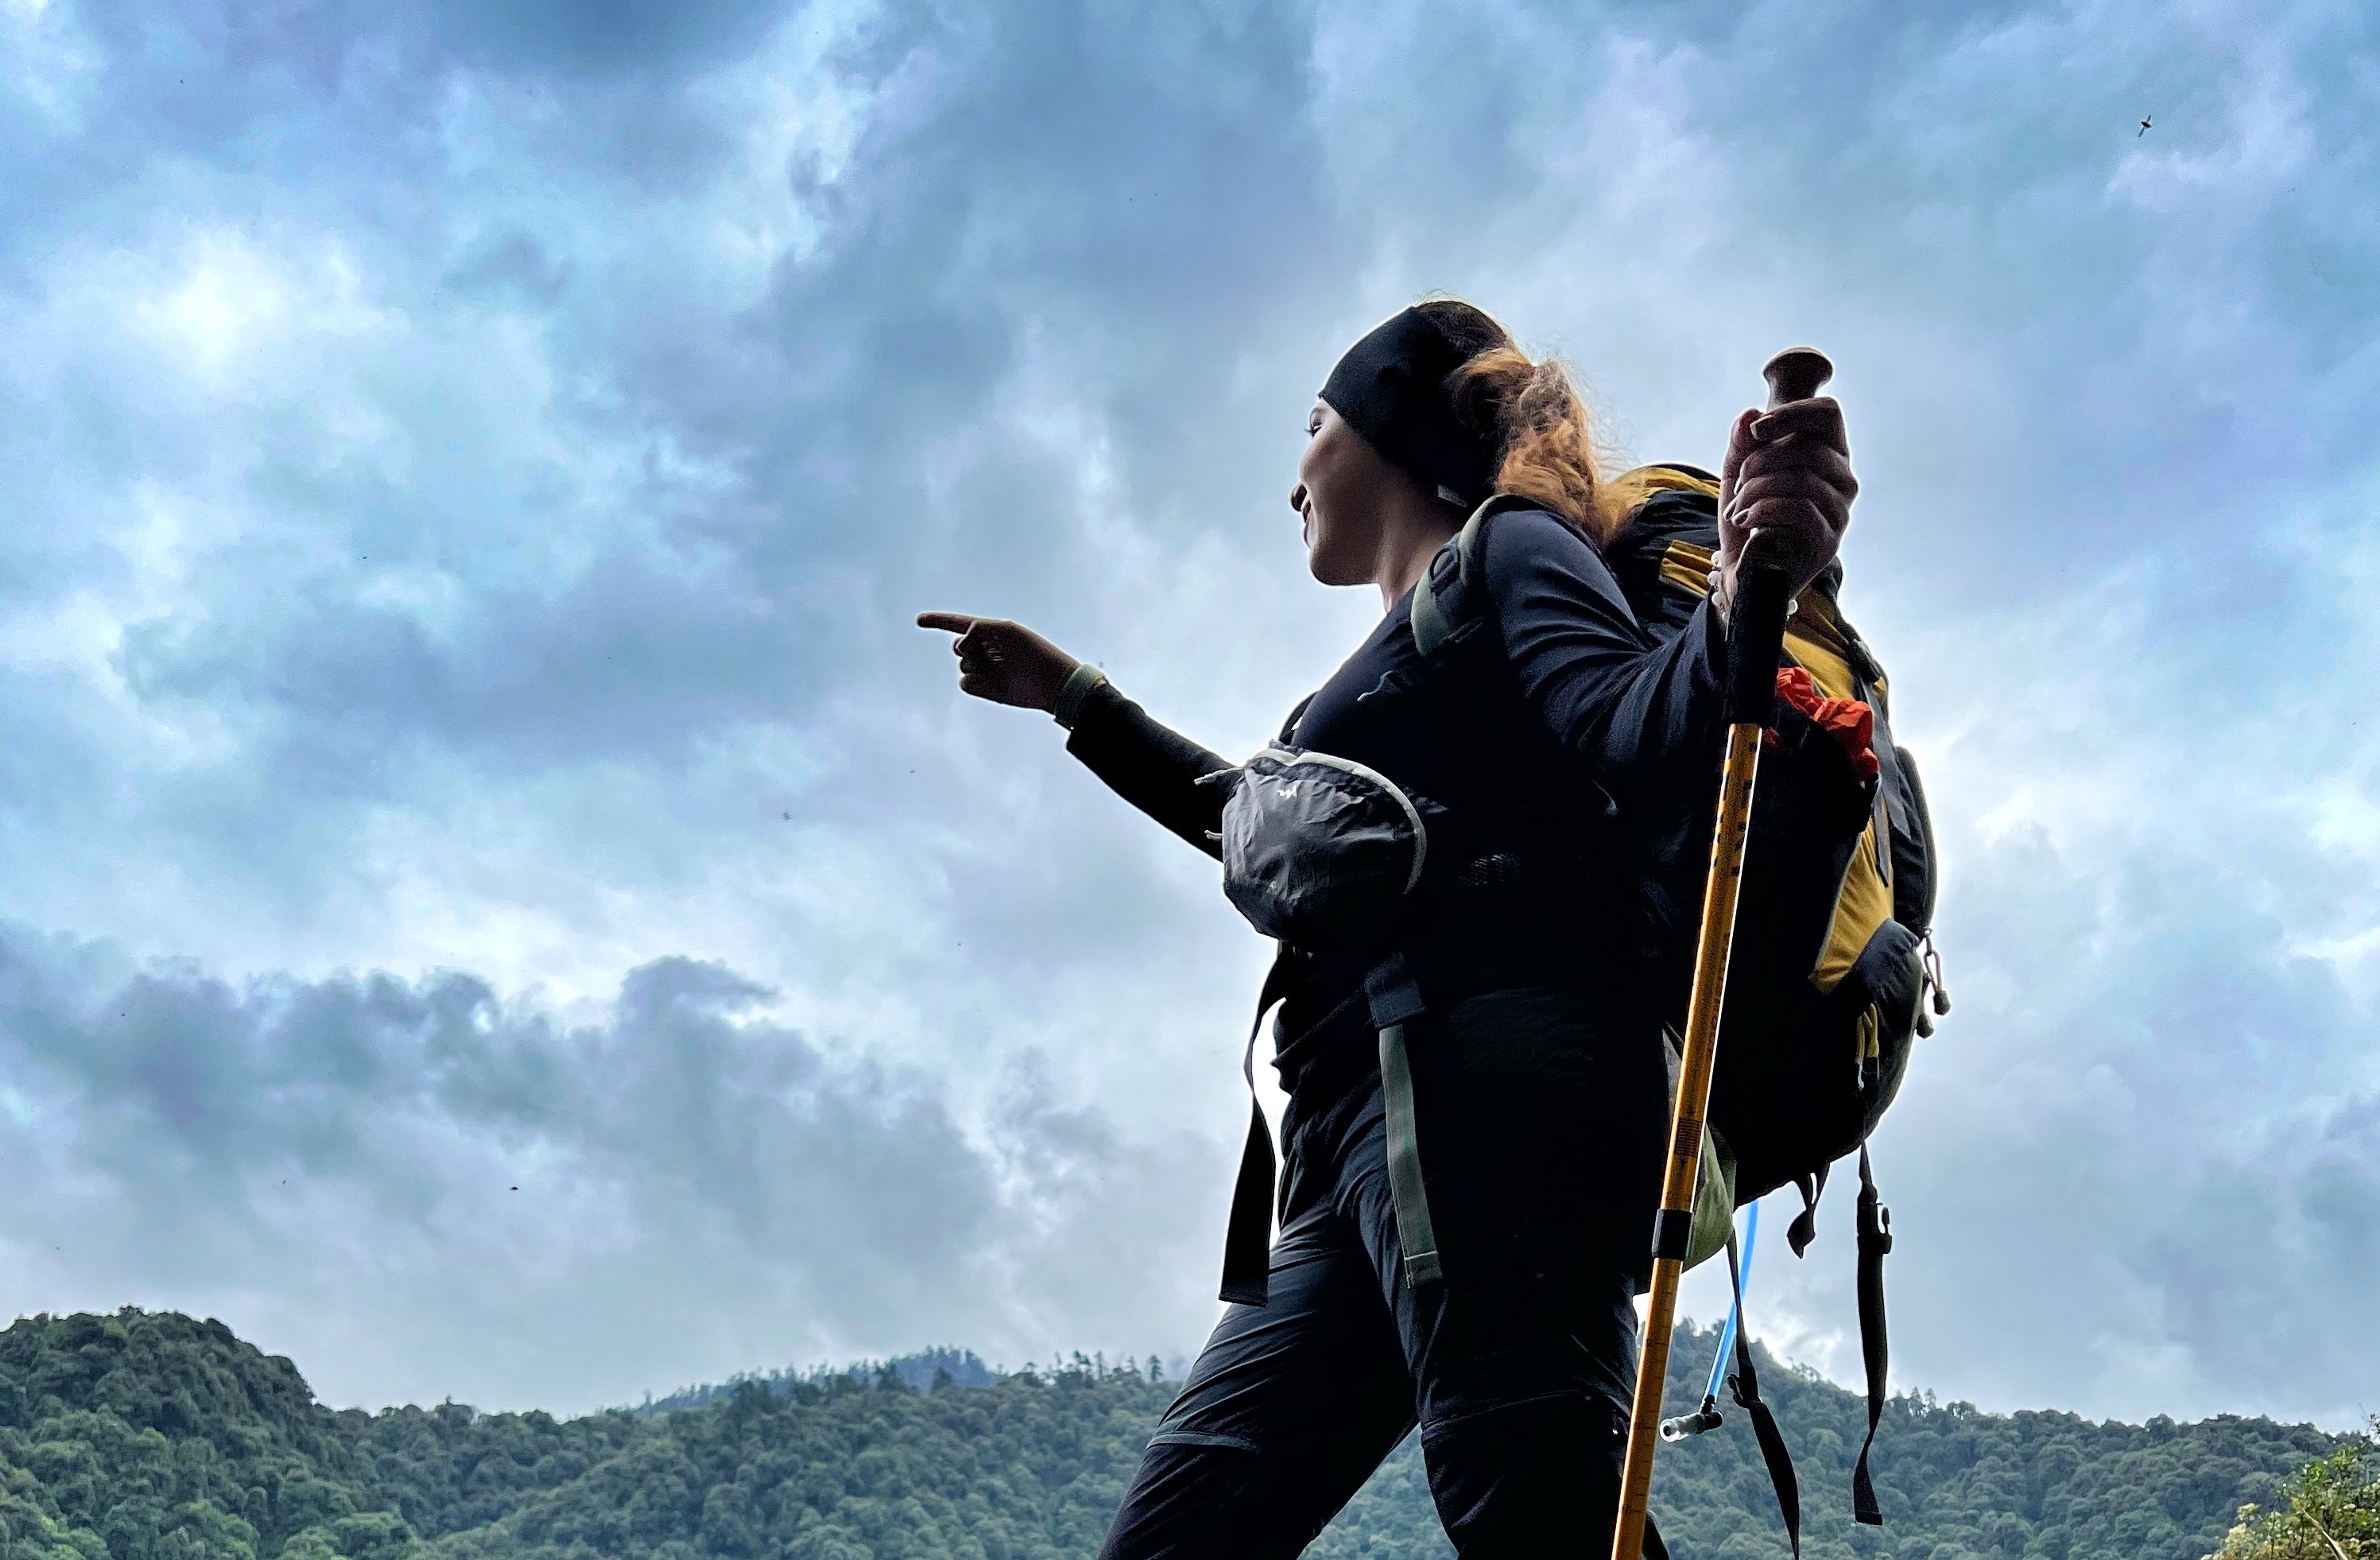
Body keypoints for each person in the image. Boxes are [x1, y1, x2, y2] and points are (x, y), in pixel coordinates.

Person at [919, 300, 1855, 1558]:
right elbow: (1259, 825)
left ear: (1388, 433)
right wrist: (1073, 697)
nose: (1291, 471)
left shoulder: (1512, 548)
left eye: (1312, 425)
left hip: (1482, 1095)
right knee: (1181, 1531)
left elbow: (1636, 722)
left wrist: (1748, 582)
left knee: (1538, 1508)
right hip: (1357, 1135)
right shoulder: (1372, 675)